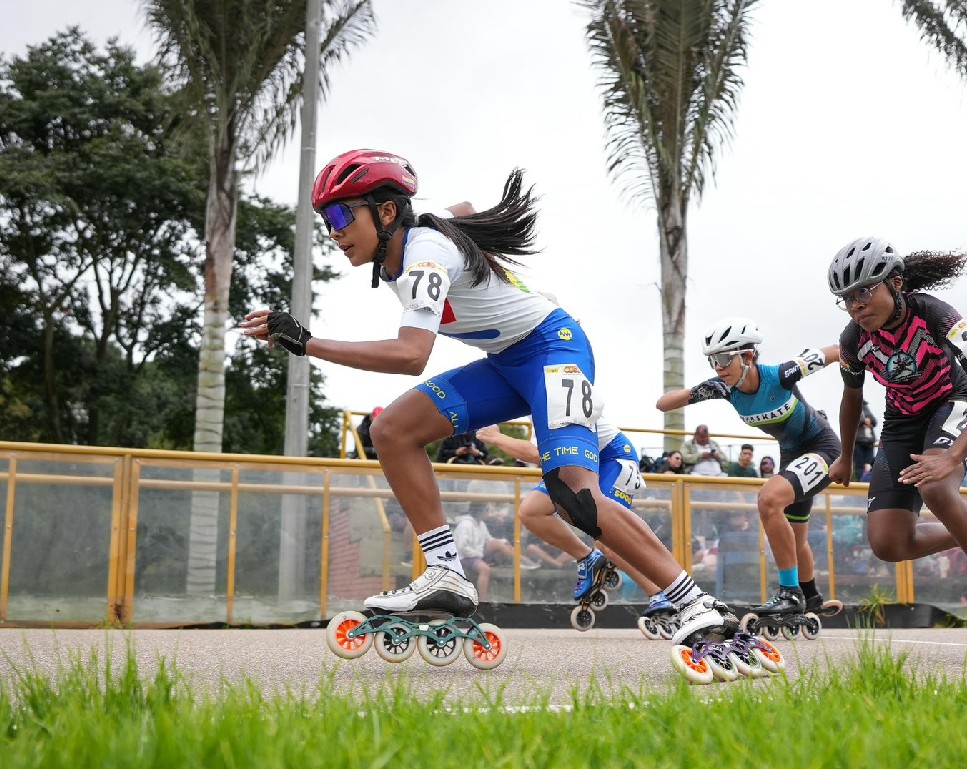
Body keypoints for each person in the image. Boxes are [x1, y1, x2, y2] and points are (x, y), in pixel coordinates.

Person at [240, 148, 731, 647]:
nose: (333, 231)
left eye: (342, 215)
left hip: (554, 349)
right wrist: (470, 231)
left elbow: (411, 355)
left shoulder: (423, 259)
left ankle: (694, 603)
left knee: (574, 494)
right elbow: (465, 208)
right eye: (326, 219)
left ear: (386, 212)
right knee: (392, 430)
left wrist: (306, 342)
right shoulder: (416, 239)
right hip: (506, 361)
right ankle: (447, 572)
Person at [823, 236, 967, 636]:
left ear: (896, 283)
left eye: (864, 292)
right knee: (888, 544)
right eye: (846, 298)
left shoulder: (937, 315)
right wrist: (845, 457)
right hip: (901, 421)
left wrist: (952, 456)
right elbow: (852, 397)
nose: (856, 305)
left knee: (937, 485)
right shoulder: (854, 339)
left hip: (953, 400)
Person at [657, 316, 843, 619]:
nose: (718, 367)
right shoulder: (722, 388)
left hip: (822, 447)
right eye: (712, 360)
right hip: (792, 455)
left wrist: (868, 353)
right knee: (796, 537)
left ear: (747, 356)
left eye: (723, 358)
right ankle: (810, 598)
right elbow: (663, 404)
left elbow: (836, 349)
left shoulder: (781, 374)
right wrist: (695, 392)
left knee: (769, 499)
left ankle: (789, 593)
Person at [475, 419, 675, 621]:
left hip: (612, 457)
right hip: (574, 459)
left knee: (608, 538)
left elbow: (535, 454)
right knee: (531, 511)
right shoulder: (535, 405)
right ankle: (587, 558)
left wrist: (496, 437)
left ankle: (659, 593)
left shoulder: (547, 398)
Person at [854, 400, 877, 481]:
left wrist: (869, 421)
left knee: (868, 464)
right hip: (858, 442)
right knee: (859, 465)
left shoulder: (867, 410)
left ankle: (867, 481)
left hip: (869, 442)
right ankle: (861, 482)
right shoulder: (853, 409)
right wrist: (864, 421)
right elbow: (852, 420)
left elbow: (875, 421)